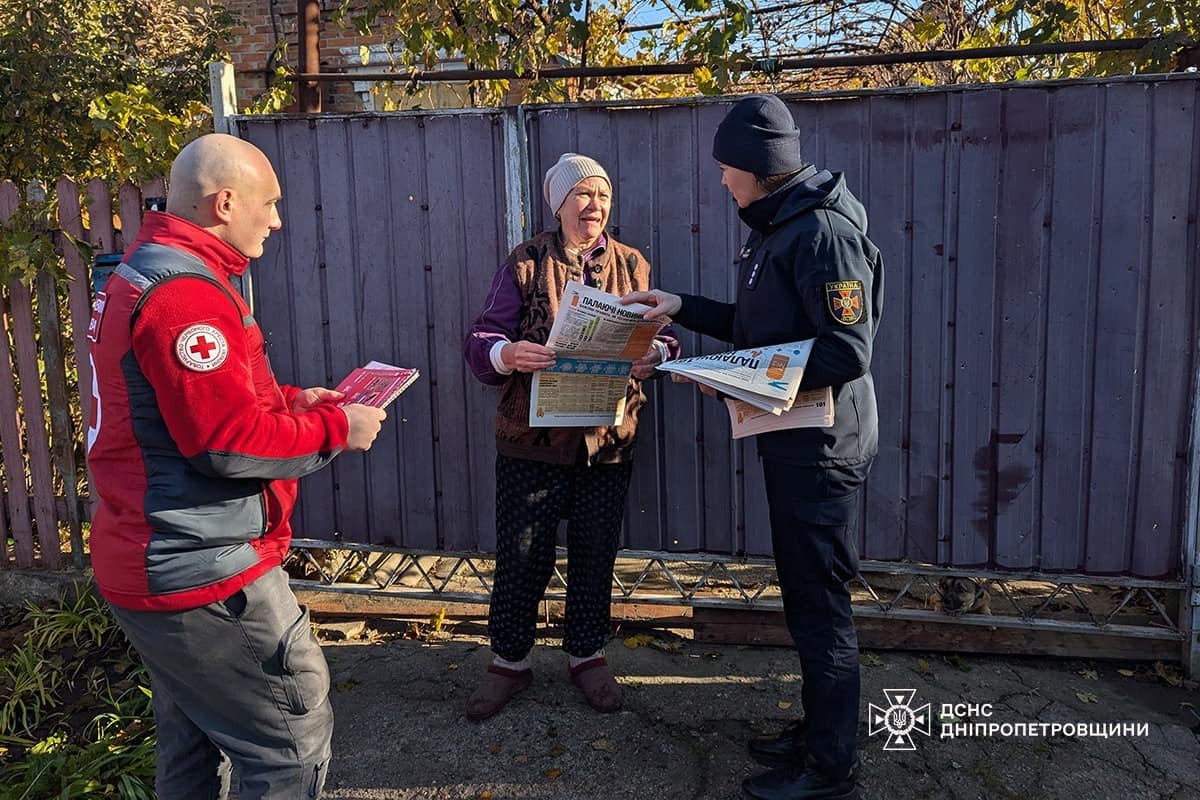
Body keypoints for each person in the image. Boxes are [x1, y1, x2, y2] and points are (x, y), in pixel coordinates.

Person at [86, 133, 388, 799]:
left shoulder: (148, 269)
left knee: (195, 739)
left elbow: (180, 410)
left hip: (155, 551)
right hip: (201, 565)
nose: (277, 220)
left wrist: (292, 401)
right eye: (270, 204)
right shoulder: (185, 294)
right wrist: (339, 426)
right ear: (225, 202)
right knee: (288, 740)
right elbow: (224, 443)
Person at [622, 95, 882, 800]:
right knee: (803, 600)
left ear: (757, 168)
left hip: (820, 449)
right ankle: (816, 731)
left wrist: (744, 383)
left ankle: (831, 770)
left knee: (820, 607)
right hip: (790, 439)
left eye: (726, 168)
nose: (721, 181)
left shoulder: (820, 233)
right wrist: (680, 305)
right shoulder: (777, 228)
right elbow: (756, 325)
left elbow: (846, 351)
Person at [462, 153, 679, 721]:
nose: (594, 206)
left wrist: (652, 354)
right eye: (582, 195)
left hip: (607, 440)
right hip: (531, 443)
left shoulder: (633, 265)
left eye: (602, 196)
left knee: (594, 551)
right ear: (557, 203)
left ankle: (586, 655)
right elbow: (482, 334)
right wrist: (506, 353)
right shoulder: (527, 262)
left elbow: (665, 339)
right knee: (521, 555)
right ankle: (509, 662)